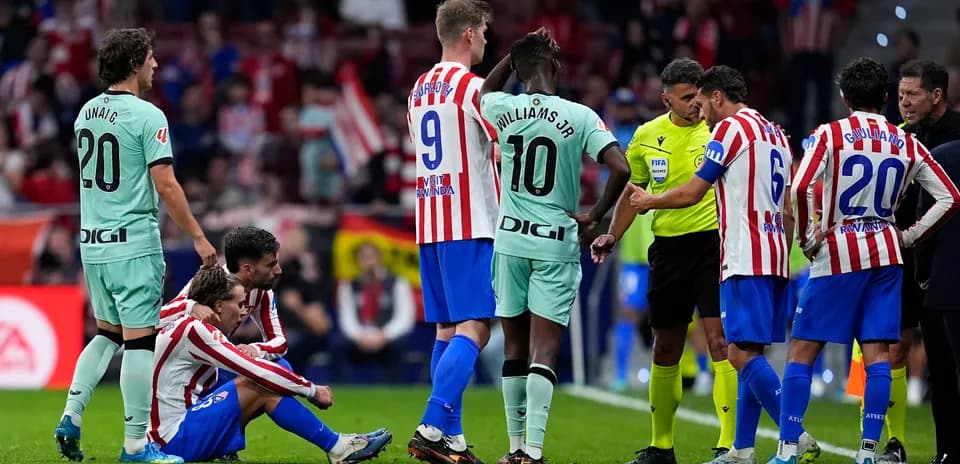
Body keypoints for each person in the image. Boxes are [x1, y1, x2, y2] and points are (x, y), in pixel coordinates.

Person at [612, 65, 820, 464]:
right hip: (774, 251)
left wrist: (649, 201)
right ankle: (741, 449)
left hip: (740, 252)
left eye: (703, 100)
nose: (700, 110)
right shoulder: (774, 131)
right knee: (747, 349)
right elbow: (792, 198)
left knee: (737, 354)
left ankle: (795, 437)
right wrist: (789, 244)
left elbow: (693, 192)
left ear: (717, 97)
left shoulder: (729, 130)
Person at [773, 56, 960, 464]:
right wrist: (909, 235)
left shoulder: (830, 134)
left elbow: (802, 186)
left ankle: (787, 449)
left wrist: (808, 236)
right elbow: (950, 197)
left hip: (839, 250)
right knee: (878, 352)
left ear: (844, 97)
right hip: (888, 254)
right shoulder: (904, 140)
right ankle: (869, 452)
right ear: (886, 96)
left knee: (803, 348)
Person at [54, 28, 217, 464]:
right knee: (140, 343)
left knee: (107, 333)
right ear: (133, 64)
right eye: (150, 58)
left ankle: (71, 413)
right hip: (133, 244)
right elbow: (165, 184)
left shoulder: (86, 112)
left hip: (92, 244)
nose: (155, 65)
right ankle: (135, 447)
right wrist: (199, 237)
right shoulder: (149, 116)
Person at [480, 30, 631, 464]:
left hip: (509, 240)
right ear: (557, 69)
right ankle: (533, 450)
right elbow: (619, 168)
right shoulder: (580, 115)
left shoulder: (503, 107)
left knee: (513, 348)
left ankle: (511, 450)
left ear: (519, 71)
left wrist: (511, 56)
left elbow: (485, 89)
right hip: (554, 242)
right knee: (543, 351)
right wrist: (595, 216)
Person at [593, 57, 737, 463]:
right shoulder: (646, 135)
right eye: (687, 97)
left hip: (713, 246)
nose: (696, 104)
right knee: (665, 348)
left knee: (719, 341)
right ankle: (662, 446)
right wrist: (612, 234)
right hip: (669, 251)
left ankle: (728, 446)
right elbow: (633, 193)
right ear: (666, 99)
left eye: (700, 95)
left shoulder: (720, 130)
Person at [152, 266, 392, 463]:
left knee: (276, 373)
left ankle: (337, 446)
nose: (243, 311)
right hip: (174, 441)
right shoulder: (197, 330)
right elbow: (254, 371)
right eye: (238, 304)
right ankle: (337, 446)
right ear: (218, 306)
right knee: (262, 382)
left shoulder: (188, 325)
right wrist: (311, 390)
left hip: (170, 433)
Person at [405, 1, 499, 462]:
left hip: (430, 219)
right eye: (483, 31)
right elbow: (500, 150)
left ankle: (452, 437)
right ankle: (432, 422)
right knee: (476, 326)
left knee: (446, 330)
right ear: (467, 34)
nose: (485, 38)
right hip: (471, 220)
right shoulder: (476, 89)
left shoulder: (419, 89)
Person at [895, 58, 960, 464]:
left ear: (936, 95)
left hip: (946, 266)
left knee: (950, 363)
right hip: (909, 262)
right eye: (900, 95)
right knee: (923, 358)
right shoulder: (897, 138)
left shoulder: (955, 141)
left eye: (911, 94)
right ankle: (941, 450)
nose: (903, 103)